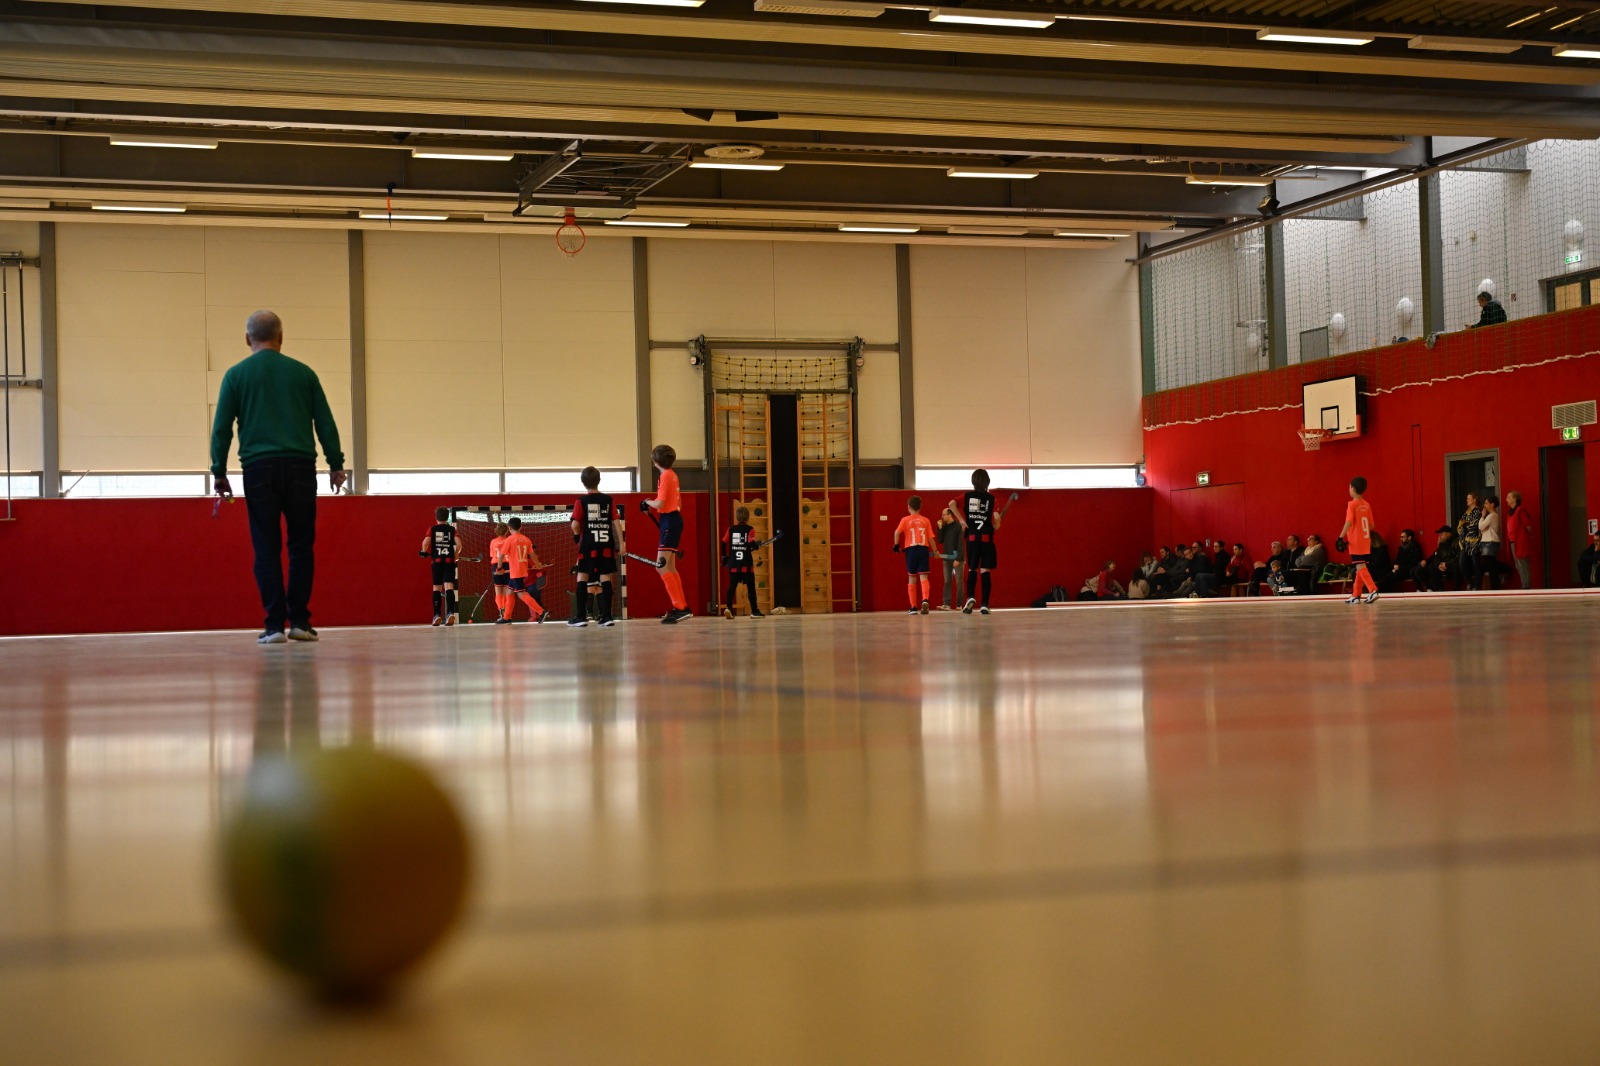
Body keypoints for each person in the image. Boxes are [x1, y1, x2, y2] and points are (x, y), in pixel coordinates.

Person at [210, 310, 345, 645]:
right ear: (281, 337)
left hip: (258, 469)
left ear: (247, 339)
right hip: (301, 467)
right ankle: (300, 622)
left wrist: (219, 471)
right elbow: (325, 422)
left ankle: (273, 627)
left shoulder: (235, 375)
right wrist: (336, 464)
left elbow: (222, 428)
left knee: (266, 548)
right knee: (301, 546)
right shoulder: (304, 374)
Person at [643, 444, 691, 624]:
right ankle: (682, 607)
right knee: (669, 567)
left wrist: (647, 502)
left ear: (655, 461)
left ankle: (680, 608)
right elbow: (676, 503)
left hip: (670, 520)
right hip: (672, 520)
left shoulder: (665, 476)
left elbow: (660, 503)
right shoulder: (672, 475)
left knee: (661, 566)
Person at [571, 466, 623, 628]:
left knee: (582, 577)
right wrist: (622, 544)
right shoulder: (609, 500)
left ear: (583, 482)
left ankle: (580, 617)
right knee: (606, 578)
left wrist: (576, 535)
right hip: (606, 544)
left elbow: (575, 525)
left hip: (588, 545)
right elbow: (616, 522)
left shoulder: (581, 501)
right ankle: (607, 617)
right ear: (599, 480)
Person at [950, 469, 1001, 615]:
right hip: (986, 539)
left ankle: (970, 597)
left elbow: (951, 503)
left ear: (973, 481)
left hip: (972, 538)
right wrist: (998, 523)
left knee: (972, 569)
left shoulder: (966, 496)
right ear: (987, 482)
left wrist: (961, 520)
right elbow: (996, 518)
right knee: (985, 570)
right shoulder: (992, 499)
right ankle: (984, 604)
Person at [893, 496, 937, 615]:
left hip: (911, 550)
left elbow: (897, 532)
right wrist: (936, 551)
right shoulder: (926, 520)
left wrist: (896, 546)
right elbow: (931, 538)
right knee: (924, 577)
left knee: (912, 577)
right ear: (920, 507)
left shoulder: (905, 520)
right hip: (923, 549)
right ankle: (925, 599)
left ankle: (913, 607)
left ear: (908, 507)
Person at [1338, 476, 1379, 604]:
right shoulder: (1366, 505)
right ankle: (1356, 595)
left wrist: (1340, 537)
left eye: (1349, 487)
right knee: (1360, 567)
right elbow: (1371, 525)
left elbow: (1349, 522)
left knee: (1360, 566)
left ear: (1353, 489)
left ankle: (1373, 590)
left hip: (1356, 541)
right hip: (1366, 540)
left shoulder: (1352, 504)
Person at [419, 506, 461, 626]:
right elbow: (459, 544)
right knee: (449, 587)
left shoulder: (432, 529)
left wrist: (423, 552)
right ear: (447, 517)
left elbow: (425, 543)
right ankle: (450, 613)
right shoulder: (452, 529)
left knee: (437, 588)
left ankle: (437, 615)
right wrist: (456, 554)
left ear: (436, 517)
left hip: (436, 562)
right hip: (449, 562)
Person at [721, 505, 764, 620]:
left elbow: (723, 543)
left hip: (734, 563)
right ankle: (754, 611)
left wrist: (724, 557)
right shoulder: (750, 529)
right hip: (746, 564)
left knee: (732, 586)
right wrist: (756, 546)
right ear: (747, 517)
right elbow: (750, 543)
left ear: (737, 516)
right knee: (751, 587)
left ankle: (728, 608)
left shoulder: (731, 529)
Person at [502, 516, 548, 624]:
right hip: (519, 572)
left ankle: (541, 612)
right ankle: (506, 617)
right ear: (521, 527)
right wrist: (538, 565)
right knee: (509, 591)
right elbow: (533, 555)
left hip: (516, 572)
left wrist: (499, 567)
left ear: (509, 528)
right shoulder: (526, 539)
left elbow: (502, 555)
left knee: (521, 594)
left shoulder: (509, 539)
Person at [1476, 495, 1510, 589]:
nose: (1484, 505)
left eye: (1486, 503)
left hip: (1490, 542)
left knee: (1490, 565)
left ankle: (1496, 585)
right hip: (1487, 542)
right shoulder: (1491, 516)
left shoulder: (1492, 515)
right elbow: (1483, 528)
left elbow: (1481, 527)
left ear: (1492, 504)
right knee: (1490, 564)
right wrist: (1483, 526)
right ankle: (1495, 586)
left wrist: (1482, 517)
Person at [936, 506, 965, 610]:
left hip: (957, 558)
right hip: (946, 558)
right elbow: (940, 540)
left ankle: (959, 604)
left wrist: (958, 559)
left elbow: (961, 544)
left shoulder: (958, 526)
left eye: (944, 515)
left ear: (950, 515)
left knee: (959, 582)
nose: (942, 517)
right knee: (947, 581)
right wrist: (939, 528)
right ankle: (946, 604)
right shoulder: (945, 527)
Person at [1504, 491, 1534, 589]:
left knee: (1522, 564)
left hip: (1520, 542)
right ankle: (1525, 585)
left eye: (1509, 497)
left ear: (1515, 499)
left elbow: (1528, 526)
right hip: (1513, 542)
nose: (1506, 499)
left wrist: (1525, 538)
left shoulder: (1520, 511)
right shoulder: (1510, 513)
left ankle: (1526, 587)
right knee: (1518, 565)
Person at [1415, 526, 1459, 592]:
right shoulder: (1442, 544)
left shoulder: (1456, 542)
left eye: (1441, 534)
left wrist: (1446, 564)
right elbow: (1436, 557)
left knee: (1456, 565)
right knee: (1430, 567)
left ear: (1449, 534)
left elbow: (1458, 557)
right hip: (1443, 567)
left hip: (1452, 566)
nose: (1439, 536)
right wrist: (1439, 565)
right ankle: (1439, 589)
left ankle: (1457, 589)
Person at [1456, 492, 1481, 588]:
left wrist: (1466, 524)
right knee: (1461, 563)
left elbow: (1474, 525)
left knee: (1476, 564)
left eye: (1469, 498)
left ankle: (1477, 585)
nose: (1467, 500)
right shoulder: (1466, 512)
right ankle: (1470, 581)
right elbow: (1460, 525)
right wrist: (1465, 524)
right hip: (1466, 541)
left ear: (1474, 500)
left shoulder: (1478, 511)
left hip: (1475, 541)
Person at [489, 521, 512, 622]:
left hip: (496, 567)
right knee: (507, 592)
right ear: (507, 531)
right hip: (508, 567)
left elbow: (492, 555)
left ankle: (501, 611)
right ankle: (507, 615)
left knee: (498, 593)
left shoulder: (493, 542)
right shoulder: (509, 540)